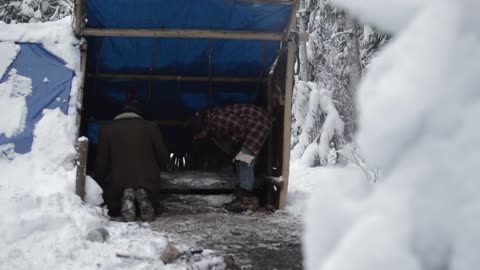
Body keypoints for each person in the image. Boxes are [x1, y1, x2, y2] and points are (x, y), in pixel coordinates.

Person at [95, 100, 170, 222]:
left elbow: (101, 161)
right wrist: (163, 167)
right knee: (150, 191)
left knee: (114, 198)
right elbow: (162, 156)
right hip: (147, 180)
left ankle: (126, 196)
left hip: (117, 182)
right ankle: (144, 194)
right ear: (139, 113)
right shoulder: (151, 127)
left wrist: (98, 181)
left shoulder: (106, 130)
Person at [190, 104, 272, 212]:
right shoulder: (212, 122)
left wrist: (234, 143)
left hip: (258, 123)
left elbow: (240, 126)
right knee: (239, 160)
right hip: (252, 124)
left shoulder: (218, 119)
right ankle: (240, 197)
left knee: (244, 160)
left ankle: (246, 201)